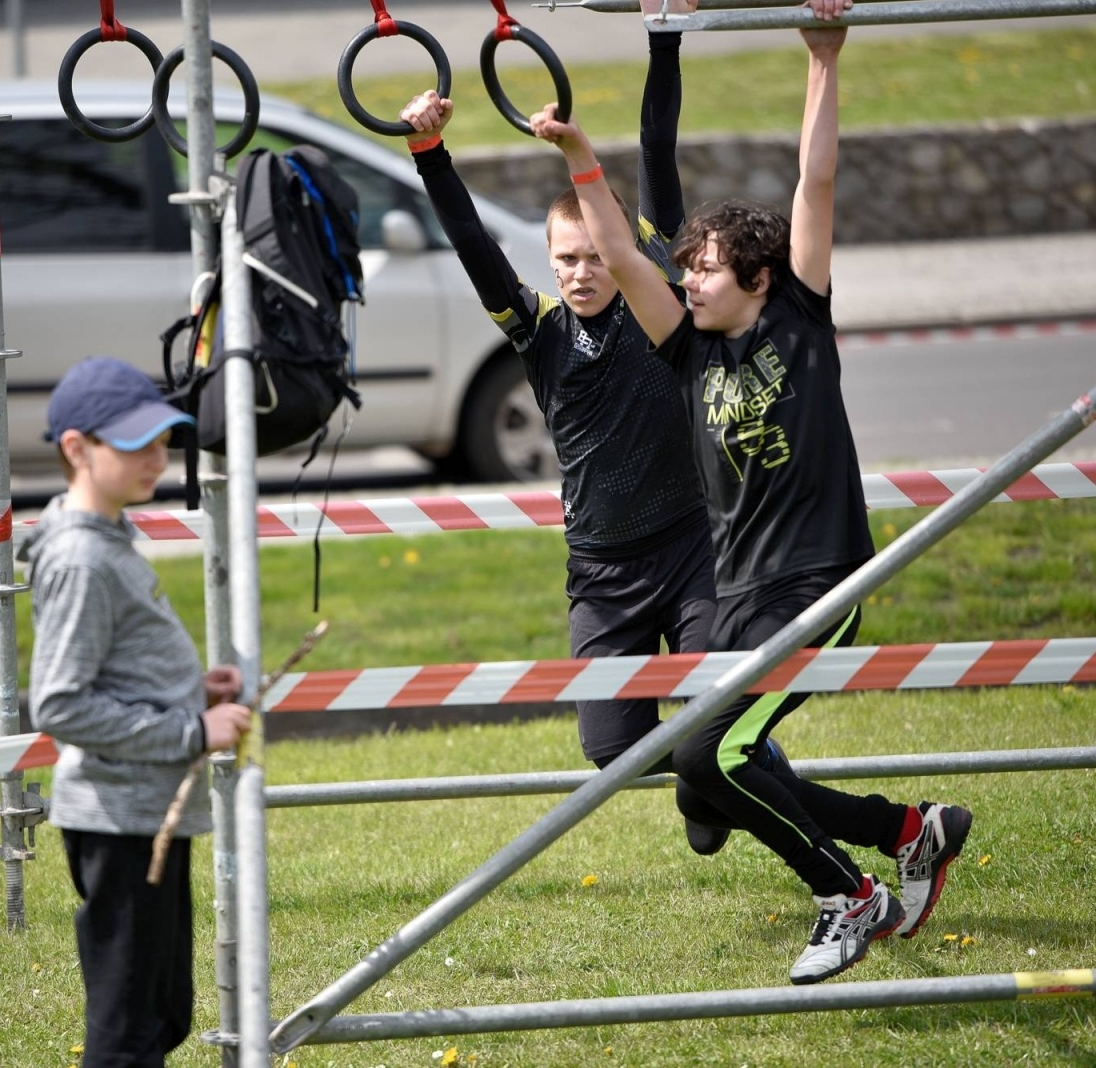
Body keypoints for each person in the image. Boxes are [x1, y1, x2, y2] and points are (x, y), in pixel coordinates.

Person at [530, 0, 972, 985]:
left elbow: (815, 183)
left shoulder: (801, 323)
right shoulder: (687, 352)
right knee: (699, 762)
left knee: (715, 757)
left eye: (707, 269)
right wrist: (579, 161)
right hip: (738, 595)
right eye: (684, 270)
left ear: (760, 278)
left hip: (816, 586)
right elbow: (622, 251)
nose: (686, 281)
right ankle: (901, 837)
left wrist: (822, 56)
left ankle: (844, 894)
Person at [395, 22, 719, 790]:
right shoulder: (538, 330)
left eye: (594, 257)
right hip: (602, 570)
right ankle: (722, 778)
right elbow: (472, 242)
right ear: (548, 261)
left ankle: (727, 772)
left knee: (722, 713)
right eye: (564, 259)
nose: (581, 273)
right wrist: (428, 152)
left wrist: (663, 37)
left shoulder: (656, 296)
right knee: (611, 749)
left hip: (692, 547)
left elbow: (656, 151)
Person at [22, 355, 252, 1068]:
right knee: (127, 1034)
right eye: (134, 444)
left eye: (162, 440)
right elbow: (60, 702)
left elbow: (115, 671)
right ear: (77, 449)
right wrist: (192, 730)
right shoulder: (82, 560)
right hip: (119, 824)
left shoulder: (110, 540)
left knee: (160, 1015)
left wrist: (194, 692)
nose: (157, 457)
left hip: (148, 812)